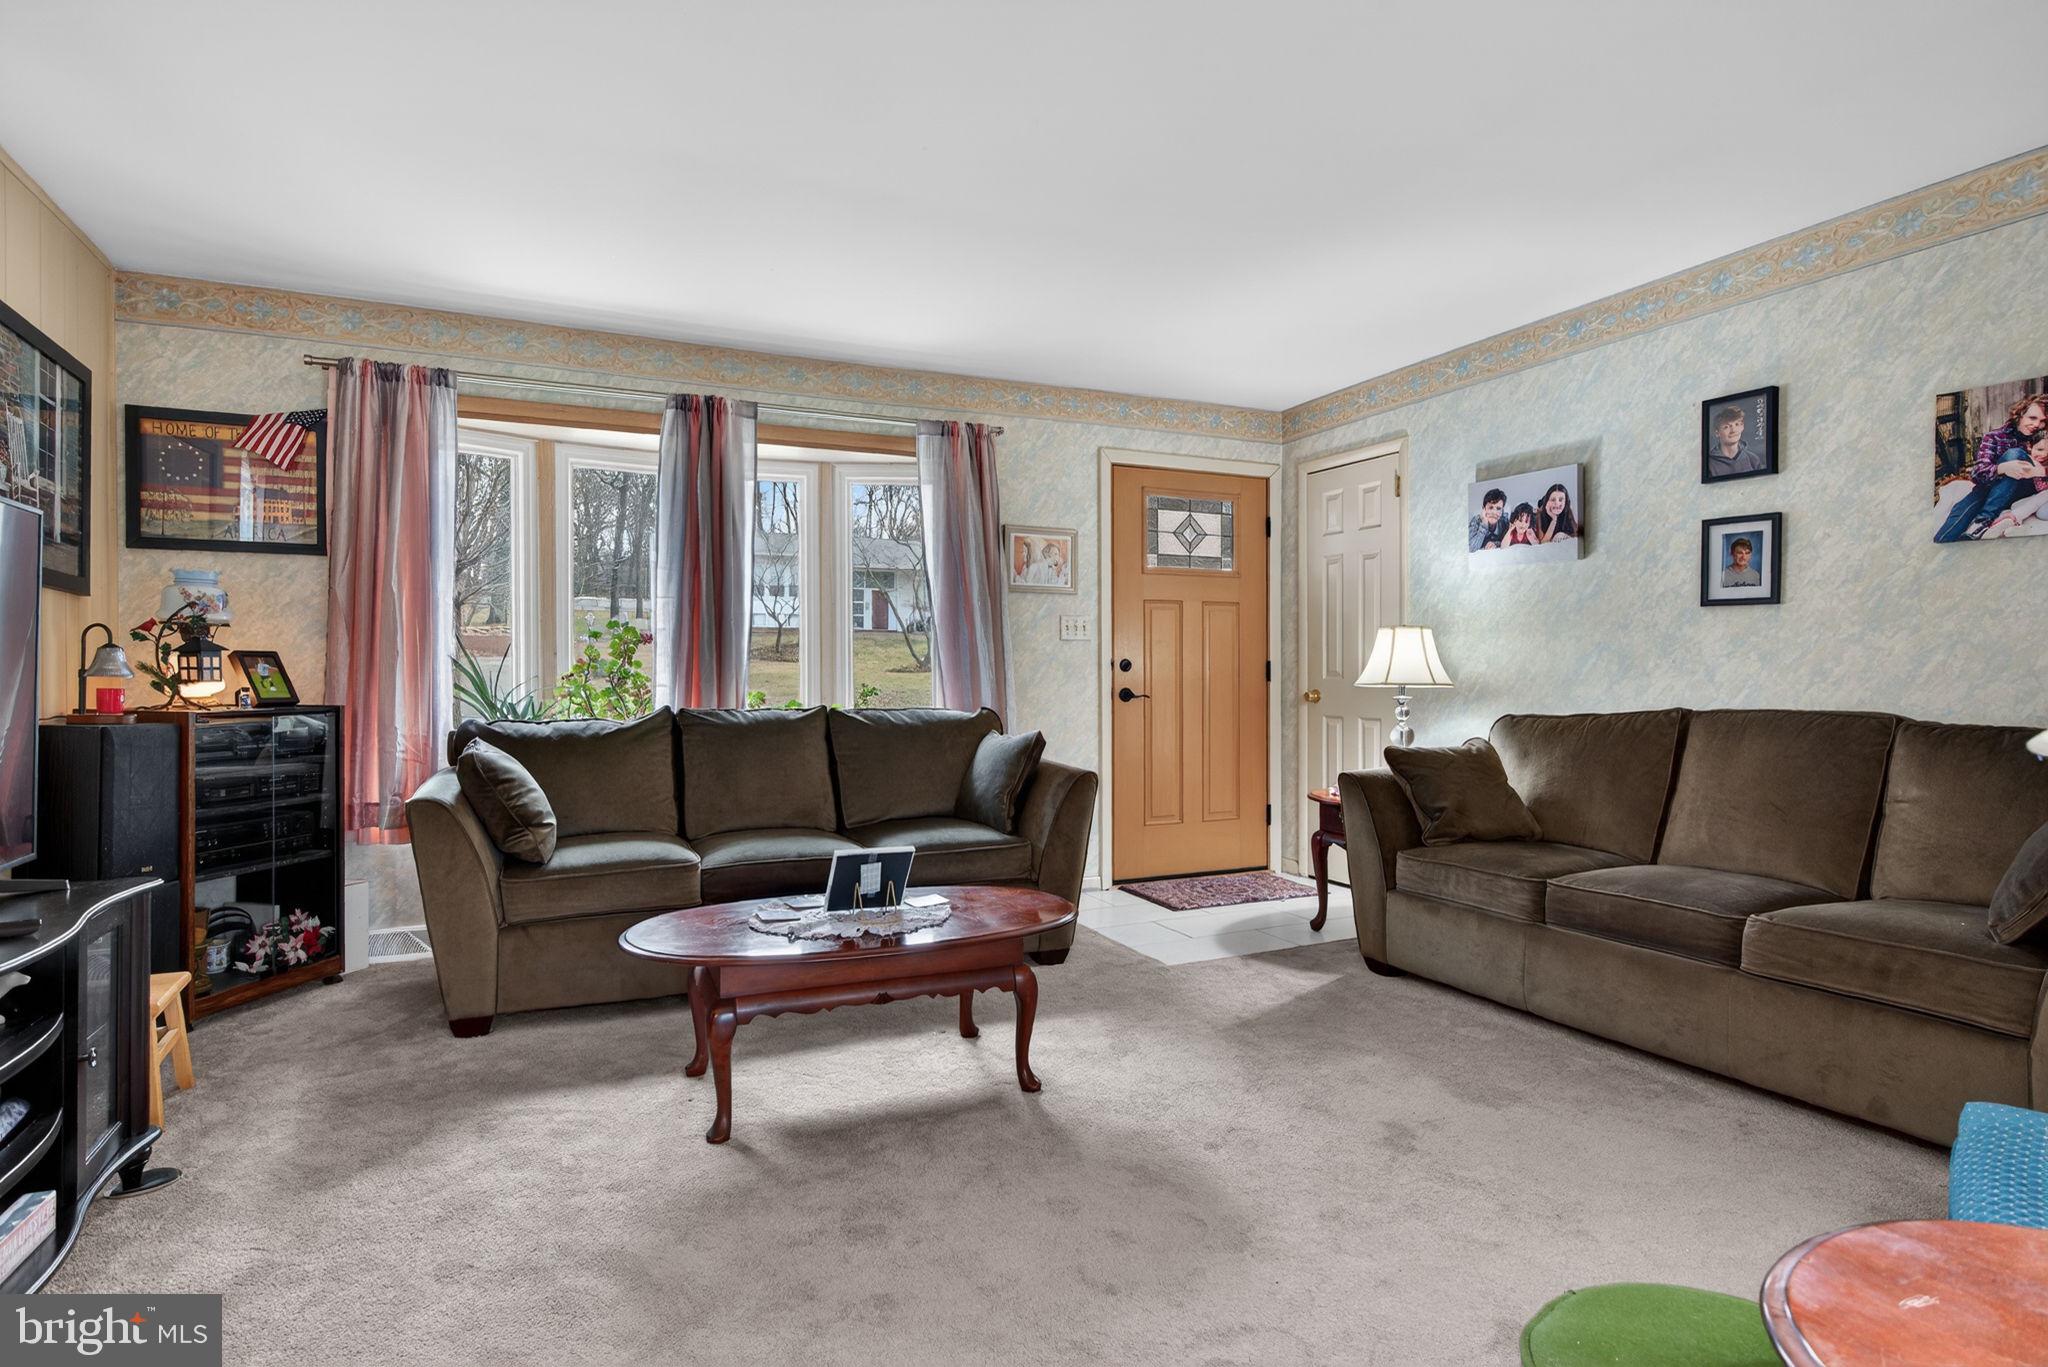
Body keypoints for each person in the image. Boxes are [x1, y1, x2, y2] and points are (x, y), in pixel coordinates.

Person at [1935, 393, 2048, 542]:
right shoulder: (1995, 437)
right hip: (1995, 489)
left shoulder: (2043, 439)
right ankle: (1941, 544)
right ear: (2020, 415)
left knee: (2016, 453)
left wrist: (2041, 470)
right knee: (1961, 511)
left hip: (2026, 489)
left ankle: (1983, 519)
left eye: (2042, 421)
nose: (2037, 424)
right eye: (2032, 418)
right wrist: (2002, 468)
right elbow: (1977, 473)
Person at [1974, 428, 2048, 539]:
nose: (2044, 454)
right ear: (2030, 447)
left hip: (2042, 497)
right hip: (2033, 499)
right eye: (2040, 449)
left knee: (2042, 508)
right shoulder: (2026, 461)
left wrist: (2040, 471)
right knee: (2034, 509)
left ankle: (2014, 517)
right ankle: (2009, 522)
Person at [1707, 405, 1766, 478]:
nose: (1733, 431)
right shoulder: (1709, 463)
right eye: (1726, 427)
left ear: (1742, 427)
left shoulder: (1753, 460)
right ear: (1717, 433)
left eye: (1737, 424)